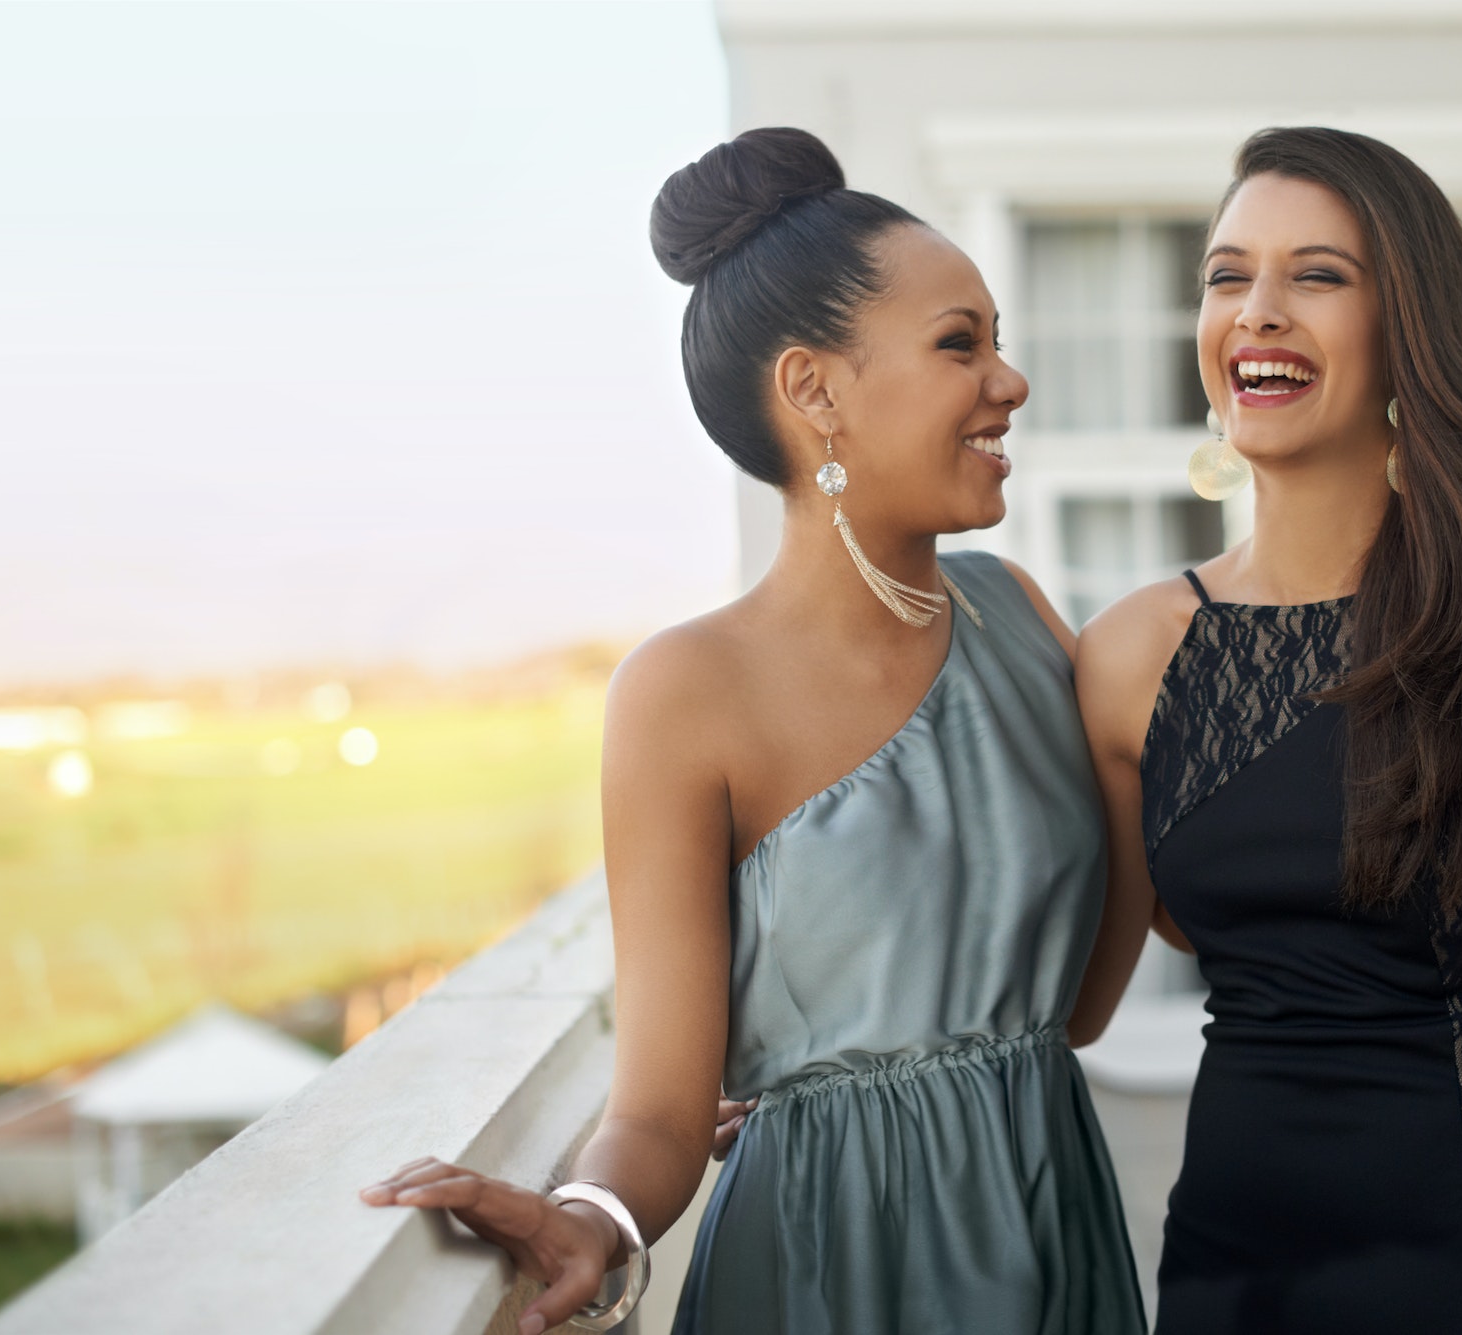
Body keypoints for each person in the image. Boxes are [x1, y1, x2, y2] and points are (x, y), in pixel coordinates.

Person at [359, 127, 1144, 1335]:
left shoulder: (1023, 615)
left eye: (998, 341)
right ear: (813, 388)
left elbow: (1076, 1006)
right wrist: (589, 1219)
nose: (1008, 380)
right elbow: (665, 1112)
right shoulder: (685, 690)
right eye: (958, 344)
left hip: (1052, 1225)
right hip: (830, 1265)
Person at [1071, 127, 1462, 1335]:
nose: (1256, 311)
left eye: (1317, 276)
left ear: (1408, 325)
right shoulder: (1129, 653)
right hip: (1225, 1282)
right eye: (1225, 275)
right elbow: (1065, 1003)